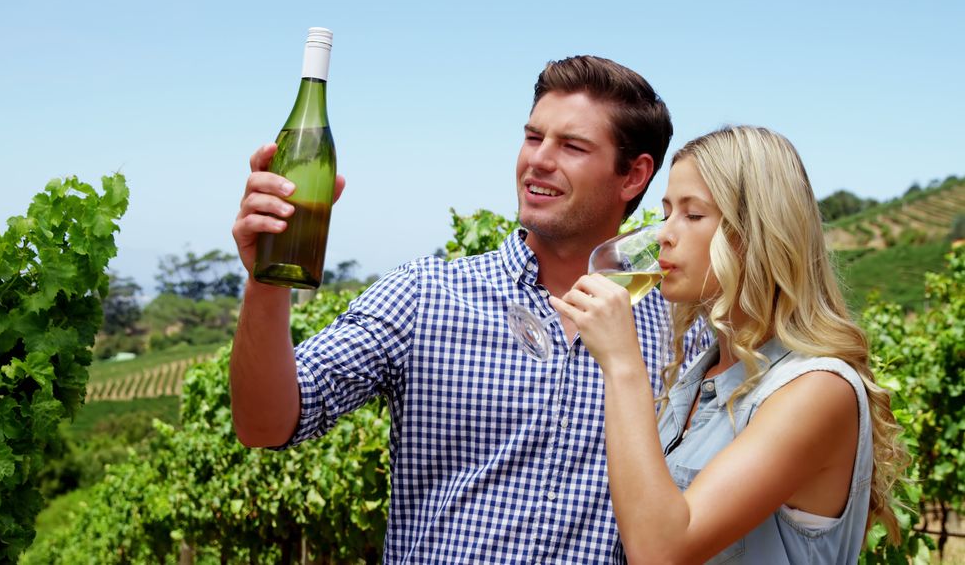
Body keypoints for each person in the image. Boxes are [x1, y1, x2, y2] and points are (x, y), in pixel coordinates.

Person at [229, 55, 703, 563]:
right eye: (533, 137)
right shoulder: (424, 294)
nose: (538, 160)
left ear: (633, 176)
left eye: (572, 146)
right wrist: (266, 282)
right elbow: (265, 424)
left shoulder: (685, 334)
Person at [551, 125, 910, 564]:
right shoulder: (700, 376)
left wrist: (622, 365)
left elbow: (660, 551)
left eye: (693, 215)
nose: (663, 234)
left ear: (755, 233)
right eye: (666, 213)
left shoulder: (817, 389)